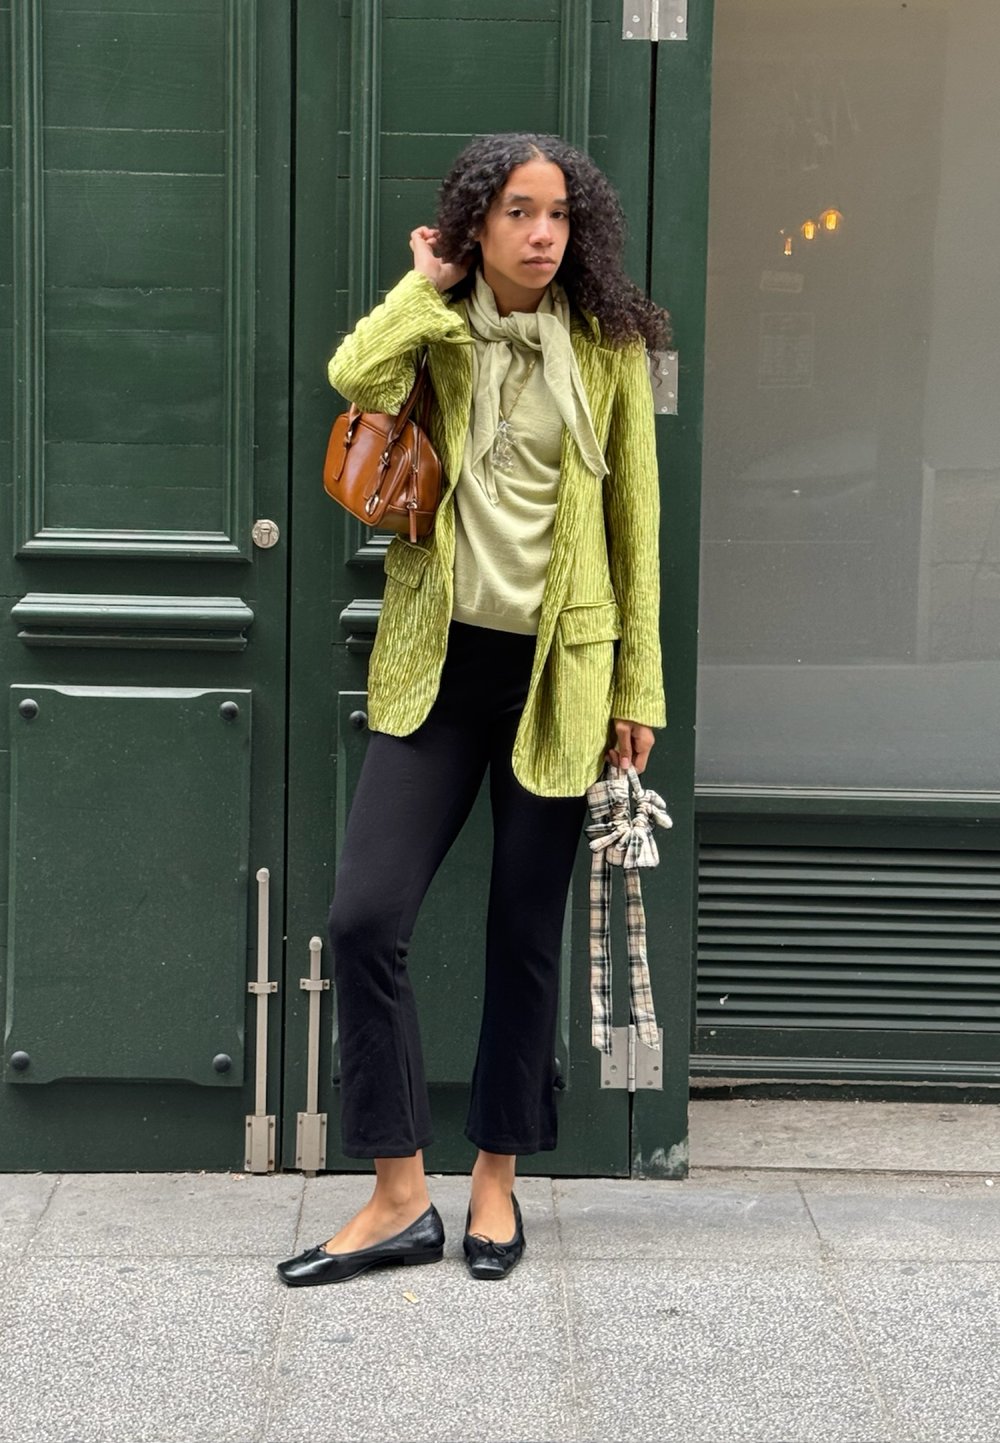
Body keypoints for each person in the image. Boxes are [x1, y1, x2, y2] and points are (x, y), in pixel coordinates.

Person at [277, 132, 668, 1287]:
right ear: (477, 226)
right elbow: (355, 376)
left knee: (521, 934)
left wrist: (635, 687)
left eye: (557, 214)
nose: (541, 233)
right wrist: (426, 286)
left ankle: (494, 1180)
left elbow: (634, 533)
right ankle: (400, 1191)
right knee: (364, 917)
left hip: (563, 678)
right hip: (436, 667)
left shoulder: (603, 352)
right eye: (515, 213)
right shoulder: (440, 337)